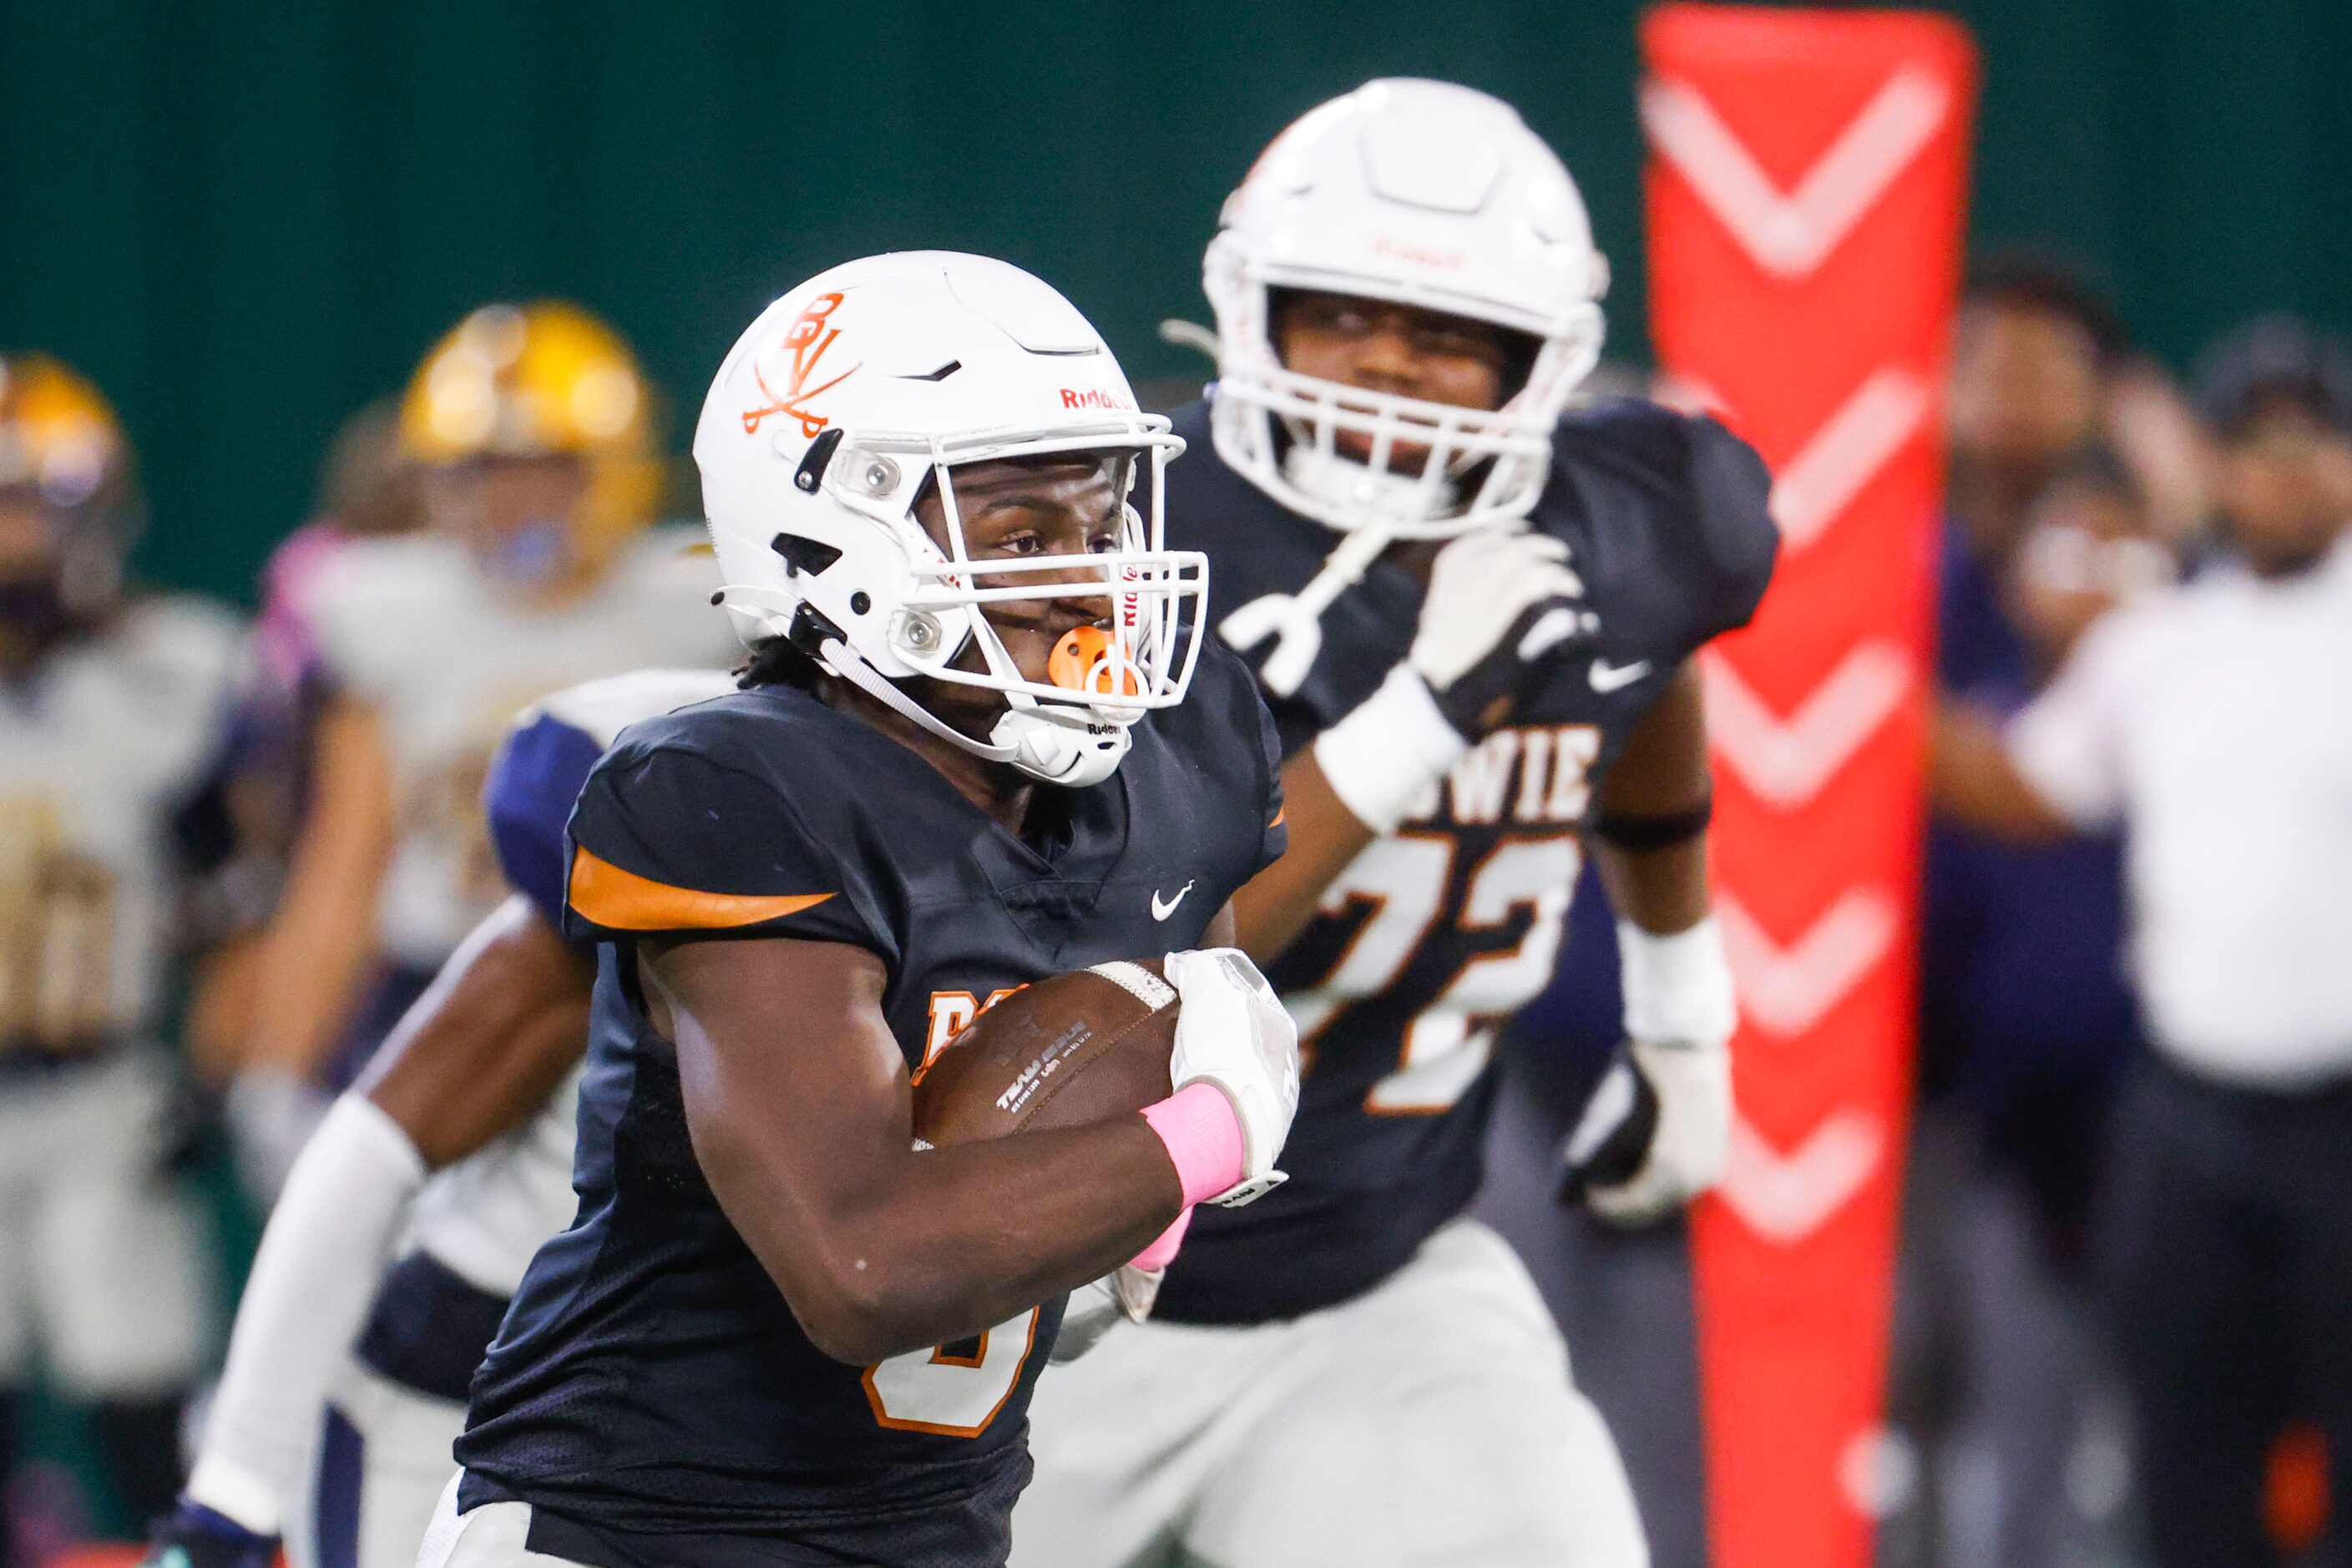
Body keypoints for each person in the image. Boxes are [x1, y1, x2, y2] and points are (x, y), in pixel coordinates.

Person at [424, 252, 1302, 1568]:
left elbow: (1165, 1035)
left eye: (1100, 519)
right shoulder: (732, 787)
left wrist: (1126, 1186)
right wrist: (1212, 1127)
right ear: (827, 538)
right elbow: (862, 1270)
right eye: (1017, 536)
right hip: (633, 1529)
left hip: (930, 1532)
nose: (1084, 578)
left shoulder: (1180, 756)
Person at [1014, 79, 1777, 1568]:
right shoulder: (1127, 544)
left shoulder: (1615, 522)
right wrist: (1426, 711)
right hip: (1028, 1284)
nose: (1386, 365)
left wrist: (1681, 999)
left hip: (1375, 1279)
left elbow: (1648, 651)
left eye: (1441, 336)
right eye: (1339, 316)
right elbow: (1153, 934)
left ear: (1533, 366)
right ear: (1251, 311)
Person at [139, 668, 733, 1568]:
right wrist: (235, 1492)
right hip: (480, 1398)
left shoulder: (988, 882)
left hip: (727, 1423)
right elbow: (371, 1153)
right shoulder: (635, 908)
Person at [1930, 314, 2352, 1568]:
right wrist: (1851, 676)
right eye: (2253, 442)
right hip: (2185, 1119)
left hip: (2343, 1120)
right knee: (2184, 1457)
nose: (2281, 468)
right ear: (2212, 466)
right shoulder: (2157, 641)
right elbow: (2022, 789)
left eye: (2312, 439)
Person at [225, 303, 737, 1201]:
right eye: (478, 473)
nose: (507, 504)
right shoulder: (383, 610)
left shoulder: (703, 606)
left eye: (543, 470)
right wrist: (281, 1068)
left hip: (636, 991)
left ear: (613, 469)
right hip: (434, 989)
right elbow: (344, 867)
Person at [0, 354, 244, 1553]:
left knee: (141, 1397)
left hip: (105, 1083)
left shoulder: (171, 677)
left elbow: (239, 898)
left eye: (33, 504)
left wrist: (211, 1069)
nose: (13, 543)